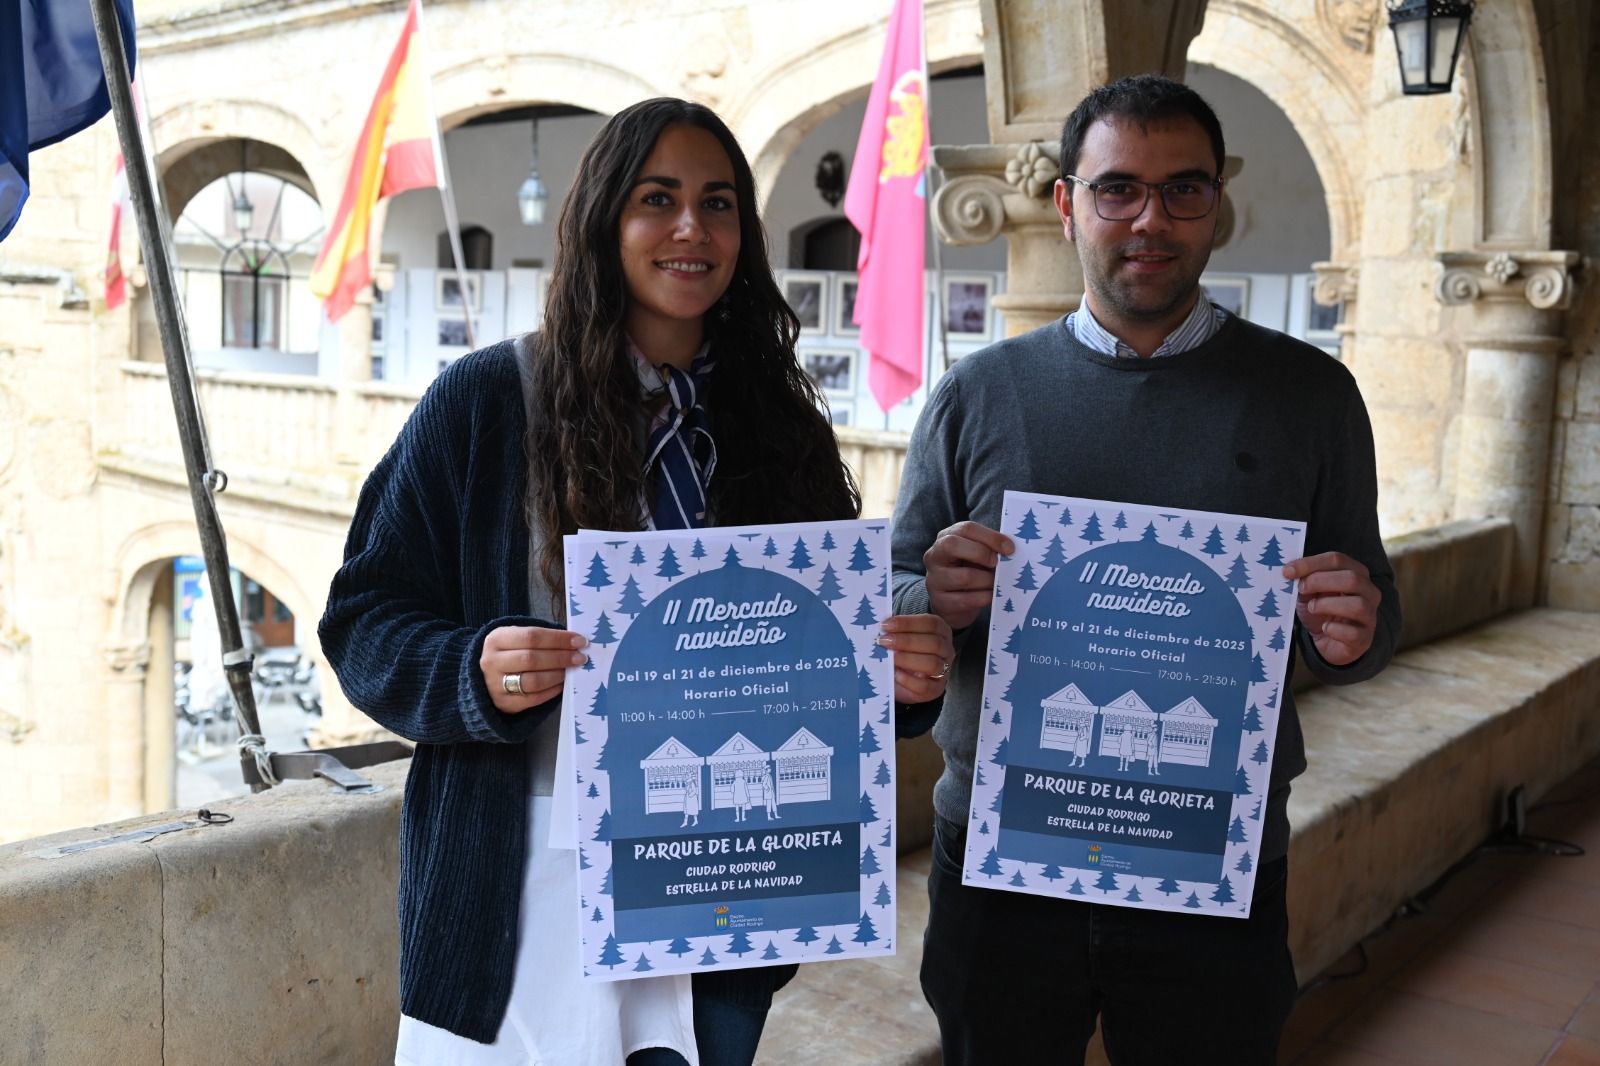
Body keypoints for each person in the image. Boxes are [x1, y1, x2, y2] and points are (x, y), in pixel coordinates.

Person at [319, 97, 955, 1066]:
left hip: (720, 890)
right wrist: (468, 670)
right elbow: (363, 619)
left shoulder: (780, 429)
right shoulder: (487, 401)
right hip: (521, 890)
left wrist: (904, 681)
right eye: (657, 199)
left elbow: (827, 651)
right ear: (604, 220)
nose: (692, 228)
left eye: (720, 202)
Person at [890, 75, 1400, 1066]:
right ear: (1065, 203)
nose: (1149, 220)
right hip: (1002, 862)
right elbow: (897, 590)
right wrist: (930, 596)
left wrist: (1354, 629)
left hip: (1211, 850)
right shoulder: (975, 394)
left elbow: (1368, 608)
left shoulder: (1311, 396)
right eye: (1117, 188)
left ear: (1218, 204)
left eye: (1183, 190)